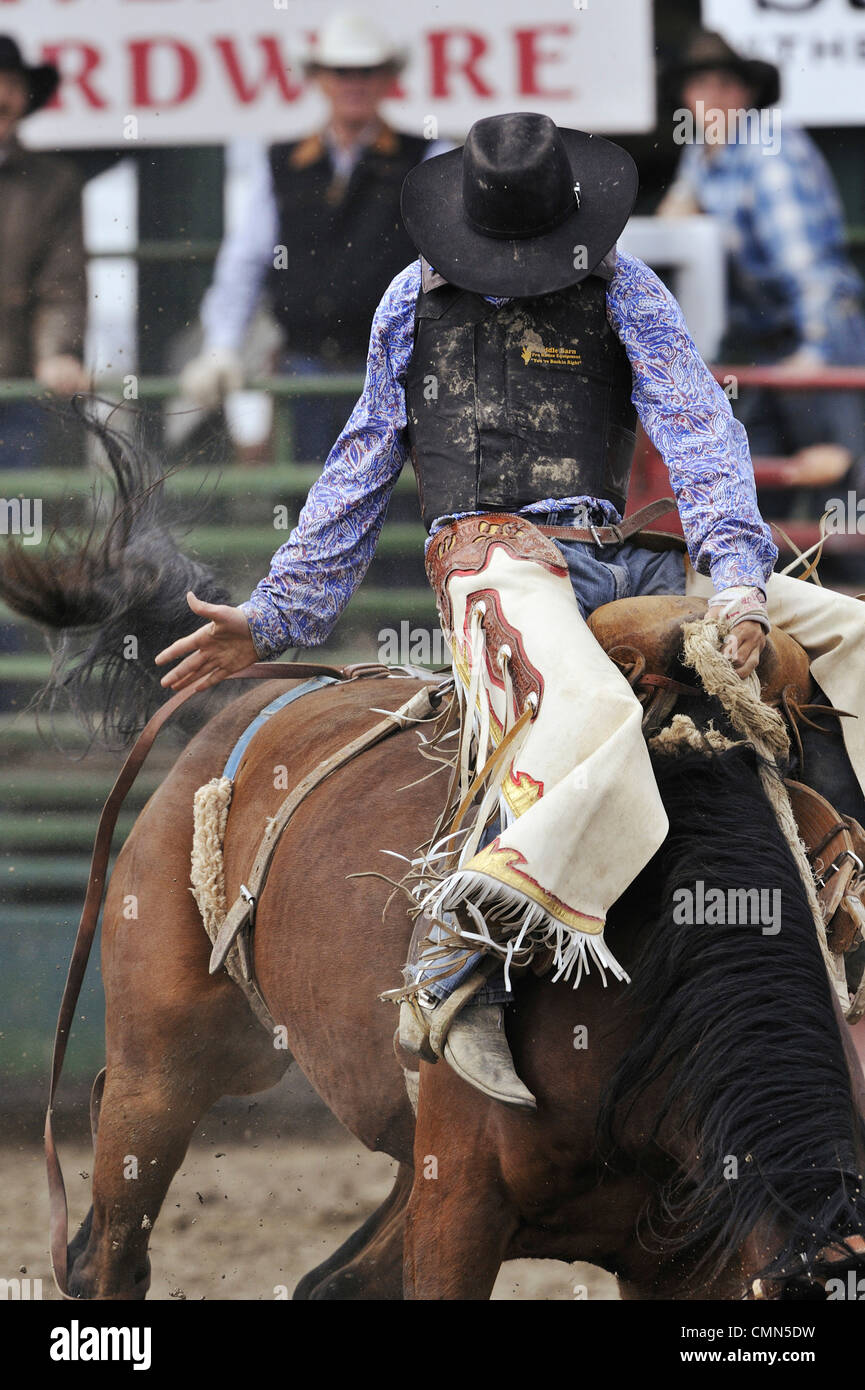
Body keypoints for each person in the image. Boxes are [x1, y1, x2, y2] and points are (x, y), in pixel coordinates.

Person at [156, 113, 865, 1112]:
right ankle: (464, 941)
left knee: (850, 631)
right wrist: (273, 615)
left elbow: (698, 426)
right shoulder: (410, 304)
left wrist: (741, 583)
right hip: (491, 558)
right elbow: (360, 469)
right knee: (587, 710)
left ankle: (852, 881)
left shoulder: (621, 283)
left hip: (614, 551)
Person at [180, 8, 449, 461]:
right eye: (342, 71)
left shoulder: (426, 159)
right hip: (305, 368)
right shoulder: (282, 164)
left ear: (387, 79)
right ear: (321, 79)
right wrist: (221, 346)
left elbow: (450, 261)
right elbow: (245, 261)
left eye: (366, 71)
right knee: (311, 497)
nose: (354, 82)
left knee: (396, 507)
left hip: (400, 370)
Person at [659, 28, 865, 496]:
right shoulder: (702, 154)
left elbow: (809, 269)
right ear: (686, 96)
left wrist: (814, 357)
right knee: (757, 494)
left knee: (845, 488)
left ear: (746, 93)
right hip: (763, 349)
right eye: (701, 86)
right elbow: (675, 220)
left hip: (816, 341)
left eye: (726, 85)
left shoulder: (769, 151)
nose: (713, 98)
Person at [0, 35, 89, 467]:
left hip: (19, 388)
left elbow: (63, 283)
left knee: (20, 519)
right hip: (20, 384)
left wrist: (56, 353)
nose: (2, 97)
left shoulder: (53, 183)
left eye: (11, 85)